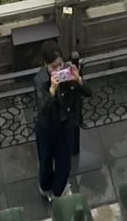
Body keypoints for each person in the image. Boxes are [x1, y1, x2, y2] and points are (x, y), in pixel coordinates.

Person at [32, 42, 85, 202]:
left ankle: (58, 192)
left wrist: (79, 80)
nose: (58, 69)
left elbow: (86, 92)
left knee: (64, 162)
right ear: (45, 65)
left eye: (60, 65)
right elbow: (43, 109)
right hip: (46, 127)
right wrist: (52, 90)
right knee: (45, 159)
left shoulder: (68, 72)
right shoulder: (40, 80)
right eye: (53, 67)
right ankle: (45, 187)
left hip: (64, 124)